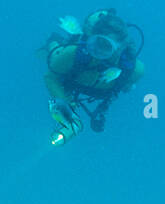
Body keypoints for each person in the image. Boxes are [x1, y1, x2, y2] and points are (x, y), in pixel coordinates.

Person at [41, 8, 145, 145]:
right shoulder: (72, 54)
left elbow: (123, 86)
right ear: (90, 38)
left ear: (120, 47)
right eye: (96, 43)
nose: (98, 51)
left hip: (95, 86)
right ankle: (54, 40)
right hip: (71, 73)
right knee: (56, 54)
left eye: (106, 46)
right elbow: (51, 77)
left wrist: (106, 104)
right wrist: (65, 106)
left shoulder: (134, 70)